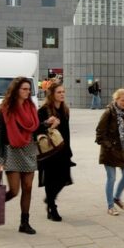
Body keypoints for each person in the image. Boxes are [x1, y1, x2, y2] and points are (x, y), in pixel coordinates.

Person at [0, 76, 48, 235]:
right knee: (14, 190)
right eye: (24, 89)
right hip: (11, 151)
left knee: (28, 188)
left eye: (28, 89)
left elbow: (35, 127)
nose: (27, 92)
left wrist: (46, 124)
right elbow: (0, 134)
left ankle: (24, 223)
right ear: (16, 90)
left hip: (29, 150)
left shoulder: (31, 107)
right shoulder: (4, 109)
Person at [37, 81, 74, 222]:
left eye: (63, 91)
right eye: (59, 92)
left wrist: (69, 149)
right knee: (50, 180)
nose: (62, 94)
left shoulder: (65, 109)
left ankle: (49, 199)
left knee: (64, 178)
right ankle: (52, 208)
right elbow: (37, 129)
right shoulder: (44, 110)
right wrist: (49, 124)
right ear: (52, 94)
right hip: (50, 151)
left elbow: (67, 132)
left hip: (63, 149)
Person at [96, 88, 124, 216]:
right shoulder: (108, 113)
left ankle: (117, 197)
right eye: (122, 100)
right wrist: (109, 146)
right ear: (116, 100)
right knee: (111, 178)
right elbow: (99, 133)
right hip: (110, 152)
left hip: (123, 151)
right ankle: (110, 206)